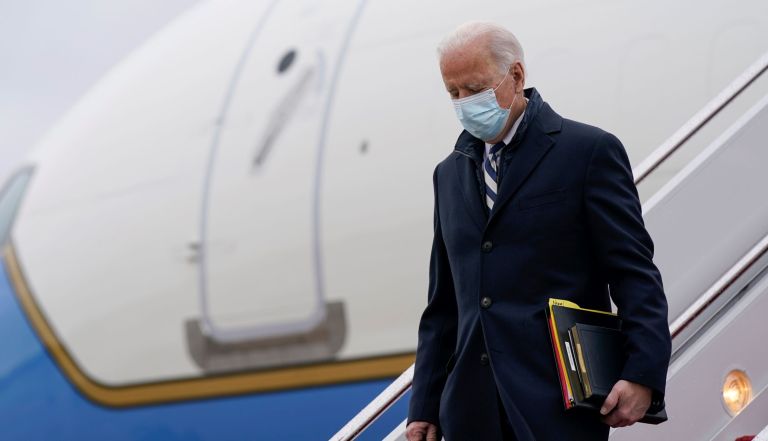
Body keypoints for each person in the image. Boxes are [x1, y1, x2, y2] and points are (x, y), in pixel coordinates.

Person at [406, 22, 671, 441]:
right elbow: (443, 308)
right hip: (470, 413)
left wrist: (642, 372)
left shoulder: (586, 152)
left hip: (557, 405)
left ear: (516, 76)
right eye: (453, 93)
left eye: (474, 88)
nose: (463, 103)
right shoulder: (448, 174)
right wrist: (424, 406)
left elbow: (633, 272)